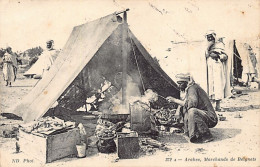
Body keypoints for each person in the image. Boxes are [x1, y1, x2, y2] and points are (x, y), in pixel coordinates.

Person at [166, 73, 218, 143]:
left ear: (186, 82)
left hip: (211, 117)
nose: (178, 86)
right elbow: (184, 102)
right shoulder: (190, 88)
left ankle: (206, 135)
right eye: (178, 83)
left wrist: (174, 100)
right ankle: (190, 132)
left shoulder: (192, 88)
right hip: (203, 115)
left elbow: (192, 104)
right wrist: (178, 110)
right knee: (185, 109)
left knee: (192, 111)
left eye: (180, 83)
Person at [205, 30, 229, 111]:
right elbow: (204, 55)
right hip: (209, 67)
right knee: (210, 85)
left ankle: (218, 106)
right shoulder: (205, 45)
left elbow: (225, 56)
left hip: (217, 65)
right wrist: (208, 48)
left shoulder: (220, 44)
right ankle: (210, 107)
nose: (210, 38)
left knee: (218, 84)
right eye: (208, 37)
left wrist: (218, 56)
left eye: (211, 36)